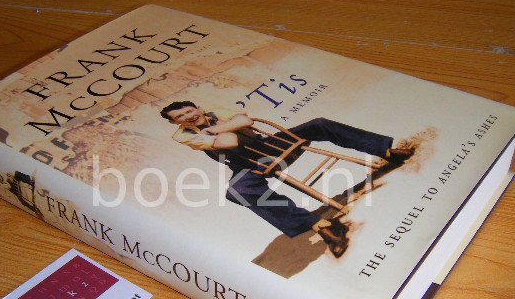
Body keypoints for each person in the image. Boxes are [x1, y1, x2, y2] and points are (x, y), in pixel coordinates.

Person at [160, 101, 413, 257]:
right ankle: (321, 226)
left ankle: (387, 151)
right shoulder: (182, 136)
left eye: (189, 111)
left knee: (319, 124)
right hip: (247, 163)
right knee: (237, 191)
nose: (188, 117)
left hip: (269, 146)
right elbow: (230, 141)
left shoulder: (216, 111)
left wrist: (213, 128)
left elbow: (245, 120)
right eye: (180, 117)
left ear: (198, 108)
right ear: (174, 123)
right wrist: (226, 128)